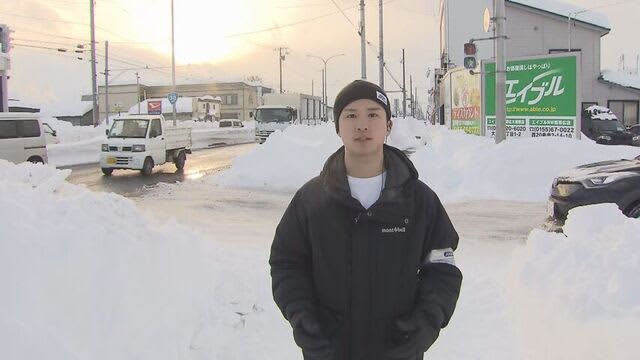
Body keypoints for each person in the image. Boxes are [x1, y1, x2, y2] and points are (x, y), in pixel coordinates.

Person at [269, 80, 462, 360]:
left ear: (388, 126)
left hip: (398, 350)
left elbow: (442, 269)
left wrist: (424, 324)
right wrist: (302, 317)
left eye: (373, 114)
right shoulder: (311, 199)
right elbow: (287, 263)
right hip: (329, 351)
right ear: (337, 127)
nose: (362, 125)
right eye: (351, 115)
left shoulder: (419, 200)